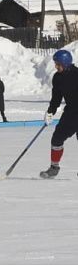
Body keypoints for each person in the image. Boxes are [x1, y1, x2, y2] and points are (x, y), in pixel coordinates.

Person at [40, 49, 78, 179]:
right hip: (71, 112)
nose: (56, 66)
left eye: (58, 64)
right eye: (55, 64)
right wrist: (50, 111)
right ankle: (54, 168)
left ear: (66, 63)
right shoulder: (57, 77)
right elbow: (56, 97)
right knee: (56, 138)